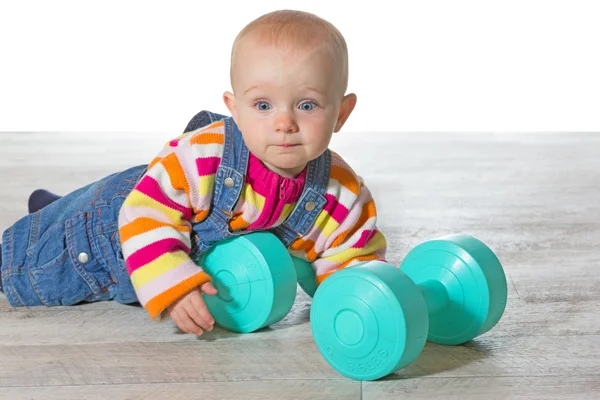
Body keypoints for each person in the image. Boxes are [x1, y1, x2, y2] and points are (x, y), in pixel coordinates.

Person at [0, 9, 387, 335]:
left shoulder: (340, 191)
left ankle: (55, 208)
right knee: (21, 265)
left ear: (342, 113)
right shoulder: (205, 157)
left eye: (306, 105)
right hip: (109, 235)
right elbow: (143, 214)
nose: (284, 123)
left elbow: (350, 254)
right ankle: (58, 217)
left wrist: (359, 301)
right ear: (234, 109)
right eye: (263, 105)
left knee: (64, 212)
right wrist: (174, 281)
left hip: (166, 206)